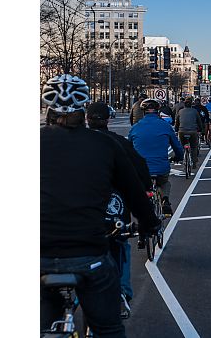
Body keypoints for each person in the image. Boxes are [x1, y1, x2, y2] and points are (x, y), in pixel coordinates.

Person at [40, 74, 160, 337]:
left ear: (48, 108)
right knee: (109, 328)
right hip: (89, 254)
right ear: (84, 108)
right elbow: (134, 191)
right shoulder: (105, 144)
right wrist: (150, 224)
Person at [85, 101, 151, 319]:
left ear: (87, 118)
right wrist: (148, 219)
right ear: (109, 119)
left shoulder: (63, 144)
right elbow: (139, 176)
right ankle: (122, 293)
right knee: (120, 245)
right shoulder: (116, 143)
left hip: (71, 223)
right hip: (113, 214)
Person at [128, 98, 184, 216]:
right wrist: (179, 157)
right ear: (158, 112)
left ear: (143, 112)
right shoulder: (165, 126)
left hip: (142, 169)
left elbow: (128, 149)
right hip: (161, 167)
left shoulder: (135, 128)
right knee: (164, 183)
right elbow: (177, 147)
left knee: (140, 186)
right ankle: (165, 200)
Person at [174, 97, 203, 168]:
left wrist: (176, 130)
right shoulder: (195, 111)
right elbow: (199, 122)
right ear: (191, 105)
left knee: (181, 145)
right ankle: (194, 162)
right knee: (193, 147)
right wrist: (200, 129)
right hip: (193, 131)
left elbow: (177, 122)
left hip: (182, 131)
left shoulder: (180, 112)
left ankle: (182, 158)